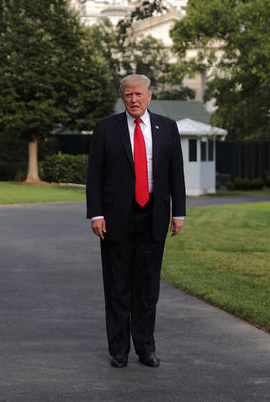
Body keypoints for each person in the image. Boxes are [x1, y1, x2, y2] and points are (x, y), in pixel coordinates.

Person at [86, 74, 186, 368]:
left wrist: (178, 212)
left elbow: (176, 174)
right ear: (122, 98)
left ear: (149, 96)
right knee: (118, 287)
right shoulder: (106, 128)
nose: (134, 100)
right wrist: (96, 213)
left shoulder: (167, 128)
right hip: (116, 218)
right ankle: (119, 350)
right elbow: (94, 176)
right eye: (128, 95)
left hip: (153, 216)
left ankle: (145, 347)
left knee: (147, 288)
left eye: (139, 94)